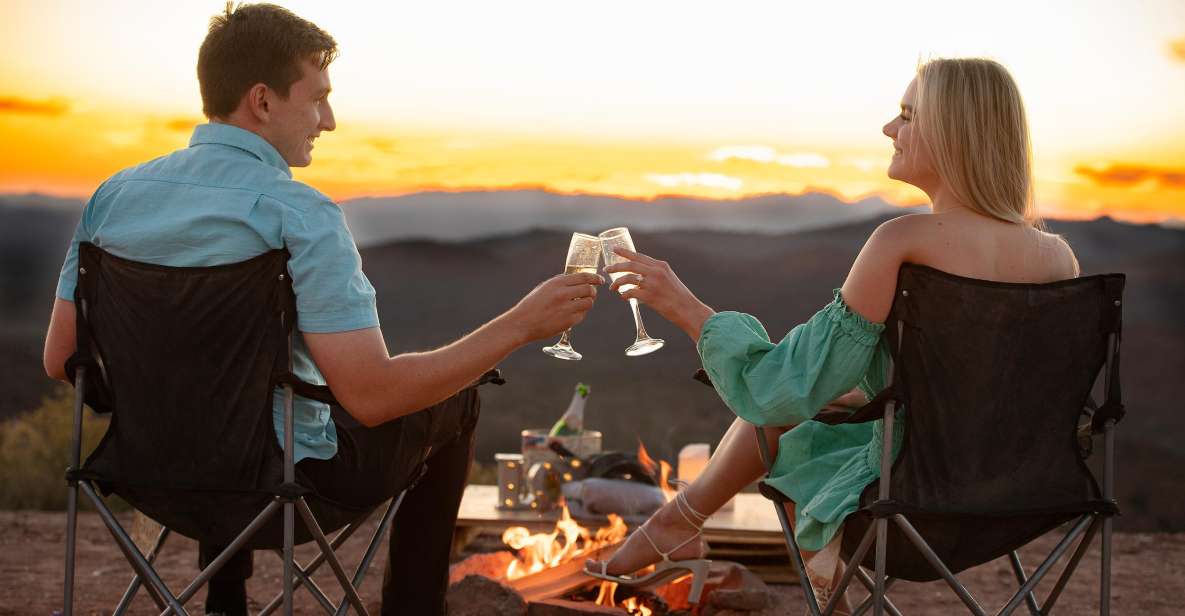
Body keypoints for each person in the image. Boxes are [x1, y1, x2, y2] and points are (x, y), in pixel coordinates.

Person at [41, 4, 601, 615]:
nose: (328, 121)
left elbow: (61, 359)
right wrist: (520, 324)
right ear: (262, 101)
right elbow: (371, 396)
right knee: (457, 397)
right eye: (317, 99)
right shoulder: (299, 214)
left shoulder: (113, 198)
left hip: (143, 474)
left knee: (230, 397)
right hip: (285, 489)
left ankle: (222, 599)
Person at [585, 58, 1079, 614]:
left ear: (952, 132)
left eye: (907, 115)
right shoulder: (1056, 258)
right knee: (820, 402)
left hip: (911, 498)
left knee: (792, 426)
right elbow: (1006, 397)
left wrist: (681, 303)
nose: (890, 129)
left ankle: (686, 526)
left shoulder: (902, 241)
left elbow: (781, 388)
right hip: (1024, 493)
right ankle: (678, 521)